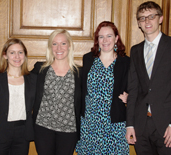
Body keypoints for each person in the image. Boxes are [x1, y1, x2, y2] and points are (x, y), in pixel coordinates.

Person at [76, 21, 130, 154]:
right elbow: (81, 88)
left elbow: (136, 86)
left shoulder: (126, 62)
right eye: (101, 37)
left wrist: (130, 96)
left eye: (109, 36)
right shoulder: (88, 59)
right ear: (97, 40)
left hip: (114, 124)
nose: (105, 40)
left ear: (116, 38)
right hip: (89, 123)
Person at [126, 1, 171, 154]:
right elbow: (133, 89)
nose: (147, 21)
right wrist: (130, 125)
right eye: (142, 18)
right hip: (141, 126)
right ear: (138, 23)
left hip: (166, 127)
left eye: (151, 16)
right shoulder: (136, 51)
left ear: (160, 19)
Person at [31, 29, 81, 155]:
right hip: (43, 128)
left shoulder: (80, 72)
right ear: (50, 47)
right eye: (54, 44)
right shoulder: (40, 69)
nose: (59, 47)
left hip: (69, 130)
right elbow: (19, 78)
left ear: (69, 46)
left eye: (63, 43)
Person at [0, 38, 36, 155]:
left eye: (20, 52)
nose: (17, 56)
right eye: (12, 53)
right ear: (5, 55)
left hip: (22, 132)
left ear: (25, 55)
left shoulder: (33, 79)